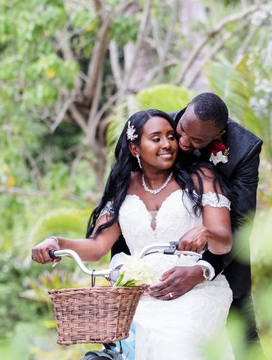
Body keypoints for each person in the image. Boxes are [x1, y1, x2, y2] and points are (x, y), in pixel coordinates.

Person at [31, 110, 246, 360]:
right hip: (142, 289)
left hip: (195, 287)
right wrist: (57, 242)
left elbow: (225, 237)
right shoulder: (124, 187)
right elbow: (98, 245)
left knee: (177, 341)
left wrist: (205, 235)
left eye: (169, 136)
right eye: (156, 138)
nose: (168, 144)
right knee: (133, 336)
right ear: (135, 148)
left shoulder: (201, 177)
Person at [112, 92, 263, 344]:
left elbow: (240, 222)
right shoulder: (154, 130)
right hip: (151, 266)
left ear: (218, 135)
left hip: (223, 262)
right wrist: (122, 265)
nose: (181, 142)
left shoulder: (244, 151)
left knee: (245, 351)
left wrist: (202, 270)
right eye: (180, 131)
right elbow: (122, 197)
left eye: (195, 140)